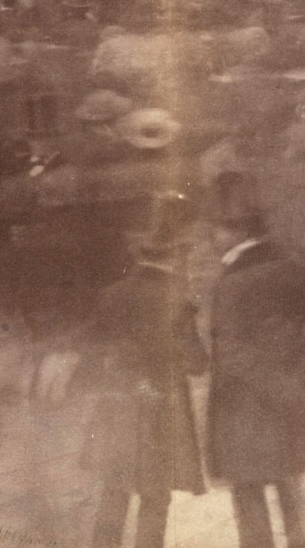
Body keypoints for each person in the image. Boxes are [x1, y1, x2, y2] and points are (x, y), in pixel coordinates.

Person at [206, 171, 305, 548]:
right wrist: (304, 377)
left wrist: (277, 388)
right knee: (292, 493)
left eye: (215, 230)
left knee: (250, 500)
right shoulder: (295, 266)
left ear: (235, 231)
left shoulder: (230, 285)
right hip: (294, 403)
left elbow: (231, 353)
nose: (212, 241)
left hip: (244, 414)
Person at [83, 196, 207, 548]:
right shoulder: (177, 299)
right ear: (174, 256)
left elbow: (90, 351)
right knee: (155, 499)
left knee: (114, 493)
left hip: (116, 410)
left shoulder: (110, 295)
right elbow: (197, 364)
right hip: (160, 414)